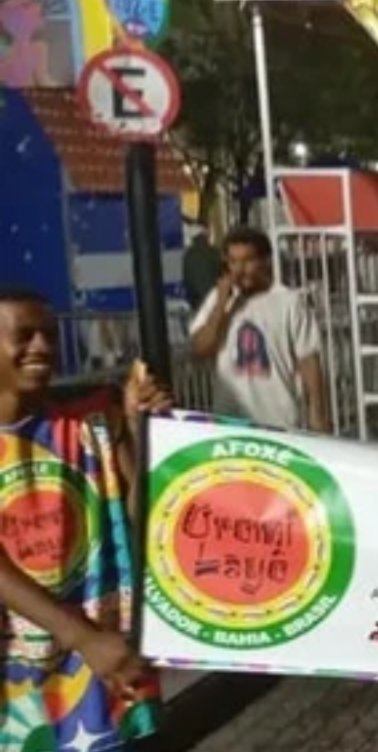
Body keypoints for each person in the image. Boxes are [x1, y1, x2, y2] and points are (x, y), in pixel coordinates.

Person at [0, 288, 166, 750]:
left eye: (49, 335)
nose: (42, 347)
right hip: (25, 681)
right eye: (25, 335)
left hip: (107, 672)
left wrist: (140, 432)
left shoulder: (91, 423)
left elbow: (141, 517)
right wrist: (83, 638)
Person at [188, 227, 331, 432]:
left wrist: (318, 413)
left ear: (265, 261)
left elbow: (308, 359)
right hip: (229, 423)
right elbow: (200, 348)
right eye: (233, 262)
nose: (239, 269)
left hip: (279, 422)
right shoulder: (219, 299)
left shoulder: (289, 302)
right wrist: (221, 305)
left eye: (247, 261)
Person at [180, 225, 221, 309]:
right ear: (204, 237)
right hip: (217, 299)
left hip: (199, 302)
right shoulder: (214, 252)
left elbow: (187, 280)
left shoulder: (188, 256)